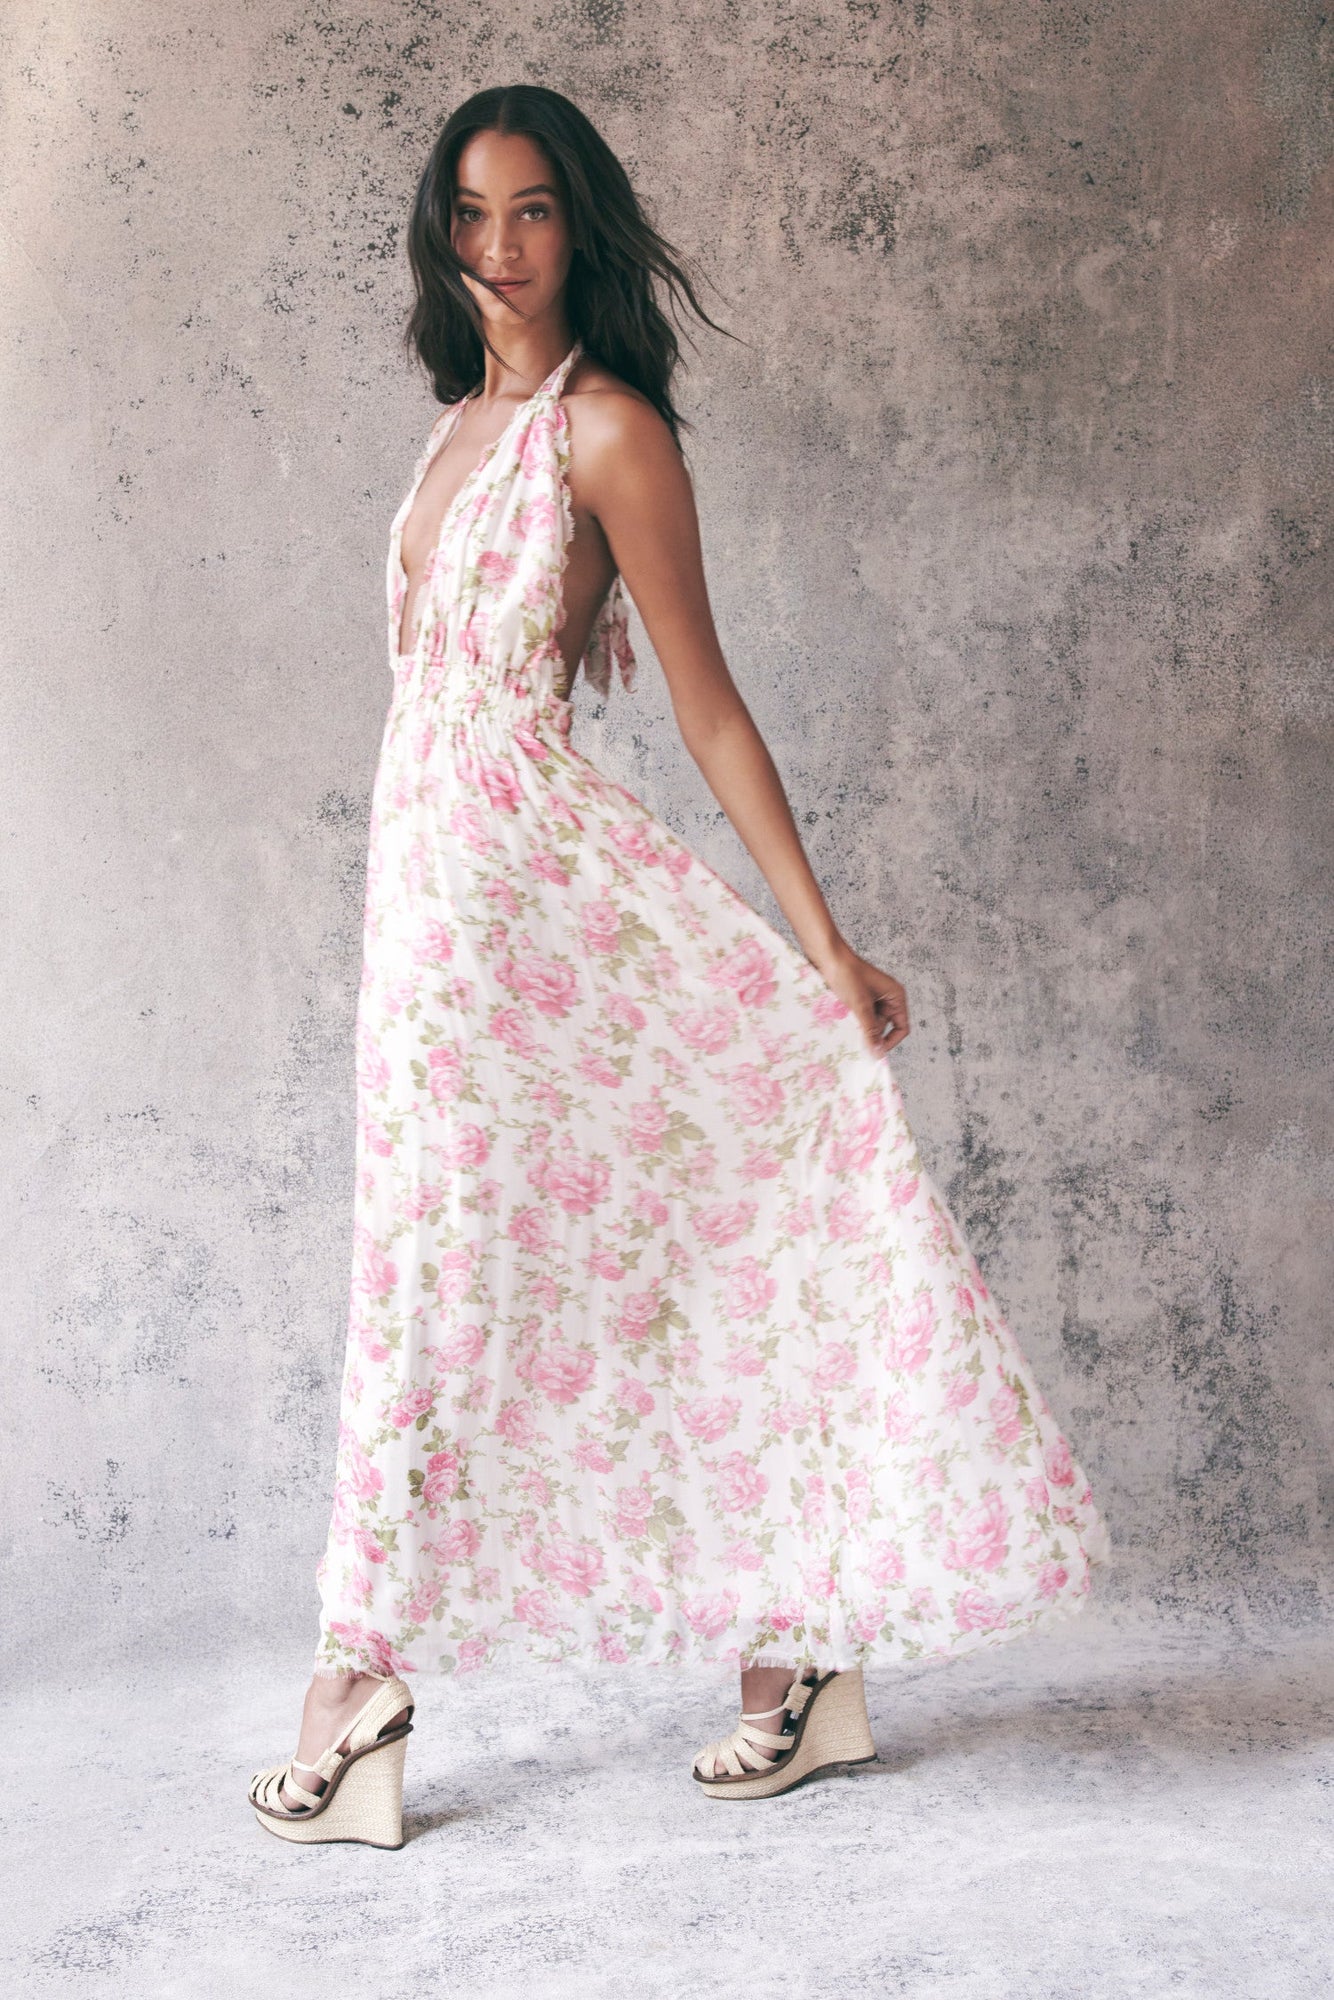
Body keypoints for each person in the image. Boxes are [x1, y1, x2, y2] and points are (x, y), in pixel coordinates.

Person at [248, 84, 1110, 1848]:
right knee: (437, 1278)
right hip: (424, 930)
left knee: (589, 1256)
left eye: (537, 212)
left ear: (584, 229)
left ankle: (395, 1682)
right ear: (439, 235)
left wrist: (823, 944)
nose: (501, 249)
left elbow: (706, 705)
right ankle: (747, 1656)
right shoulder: (451, 433)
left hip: (529, 911)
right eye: (472, 216)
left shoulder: (607, 435)